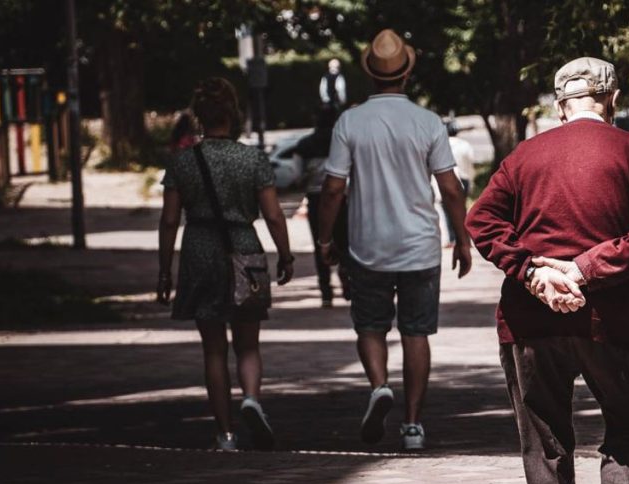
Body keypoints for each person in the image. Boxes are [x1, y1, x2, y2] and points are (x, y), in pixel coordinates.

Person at [466, 57, 629, 484]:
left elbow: (481, 220)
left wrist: (533, 273)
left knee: (544, 446)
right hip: (614, 321)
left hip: (529, 323)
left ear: (560, 105)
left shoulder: (524, 155)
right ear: (612, 98)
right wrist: (584, 269)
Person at [315, 29, 472, 451]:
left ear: (370, 74)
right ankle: (414, 425)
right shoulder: (427, 122)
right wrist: (462, 240)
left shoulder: (350, 122)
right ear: (406, 74)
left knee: (370, 326)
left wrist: (325, 238)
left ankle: (380, 386)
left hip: (368, 246)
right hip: (420, 246)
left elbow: (333, 189)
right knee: (416, 334)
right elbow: (452, 189)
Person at [157, 77, 295, 452]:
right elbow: (273, 215)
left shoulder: (182, 161)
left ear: (198, 116)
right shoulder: (252, 158)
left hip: (199, 249)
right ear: (234, 114)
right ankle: (251, 398)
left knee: (213, 348)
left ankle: (226, 433)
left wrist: (163, 269)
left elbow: (170, 219)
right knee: (248, 344)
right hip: (244, 248)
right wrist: (284, 255)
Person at [296, 106, 349, 307]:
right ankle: (347, 279)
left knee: (321, 242)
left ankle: (326, 291)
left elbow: (297, 175)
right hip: (343, 198)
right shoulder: (343, 143)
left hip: (315, 198)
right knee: (345, 241)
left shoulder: (304, 145)